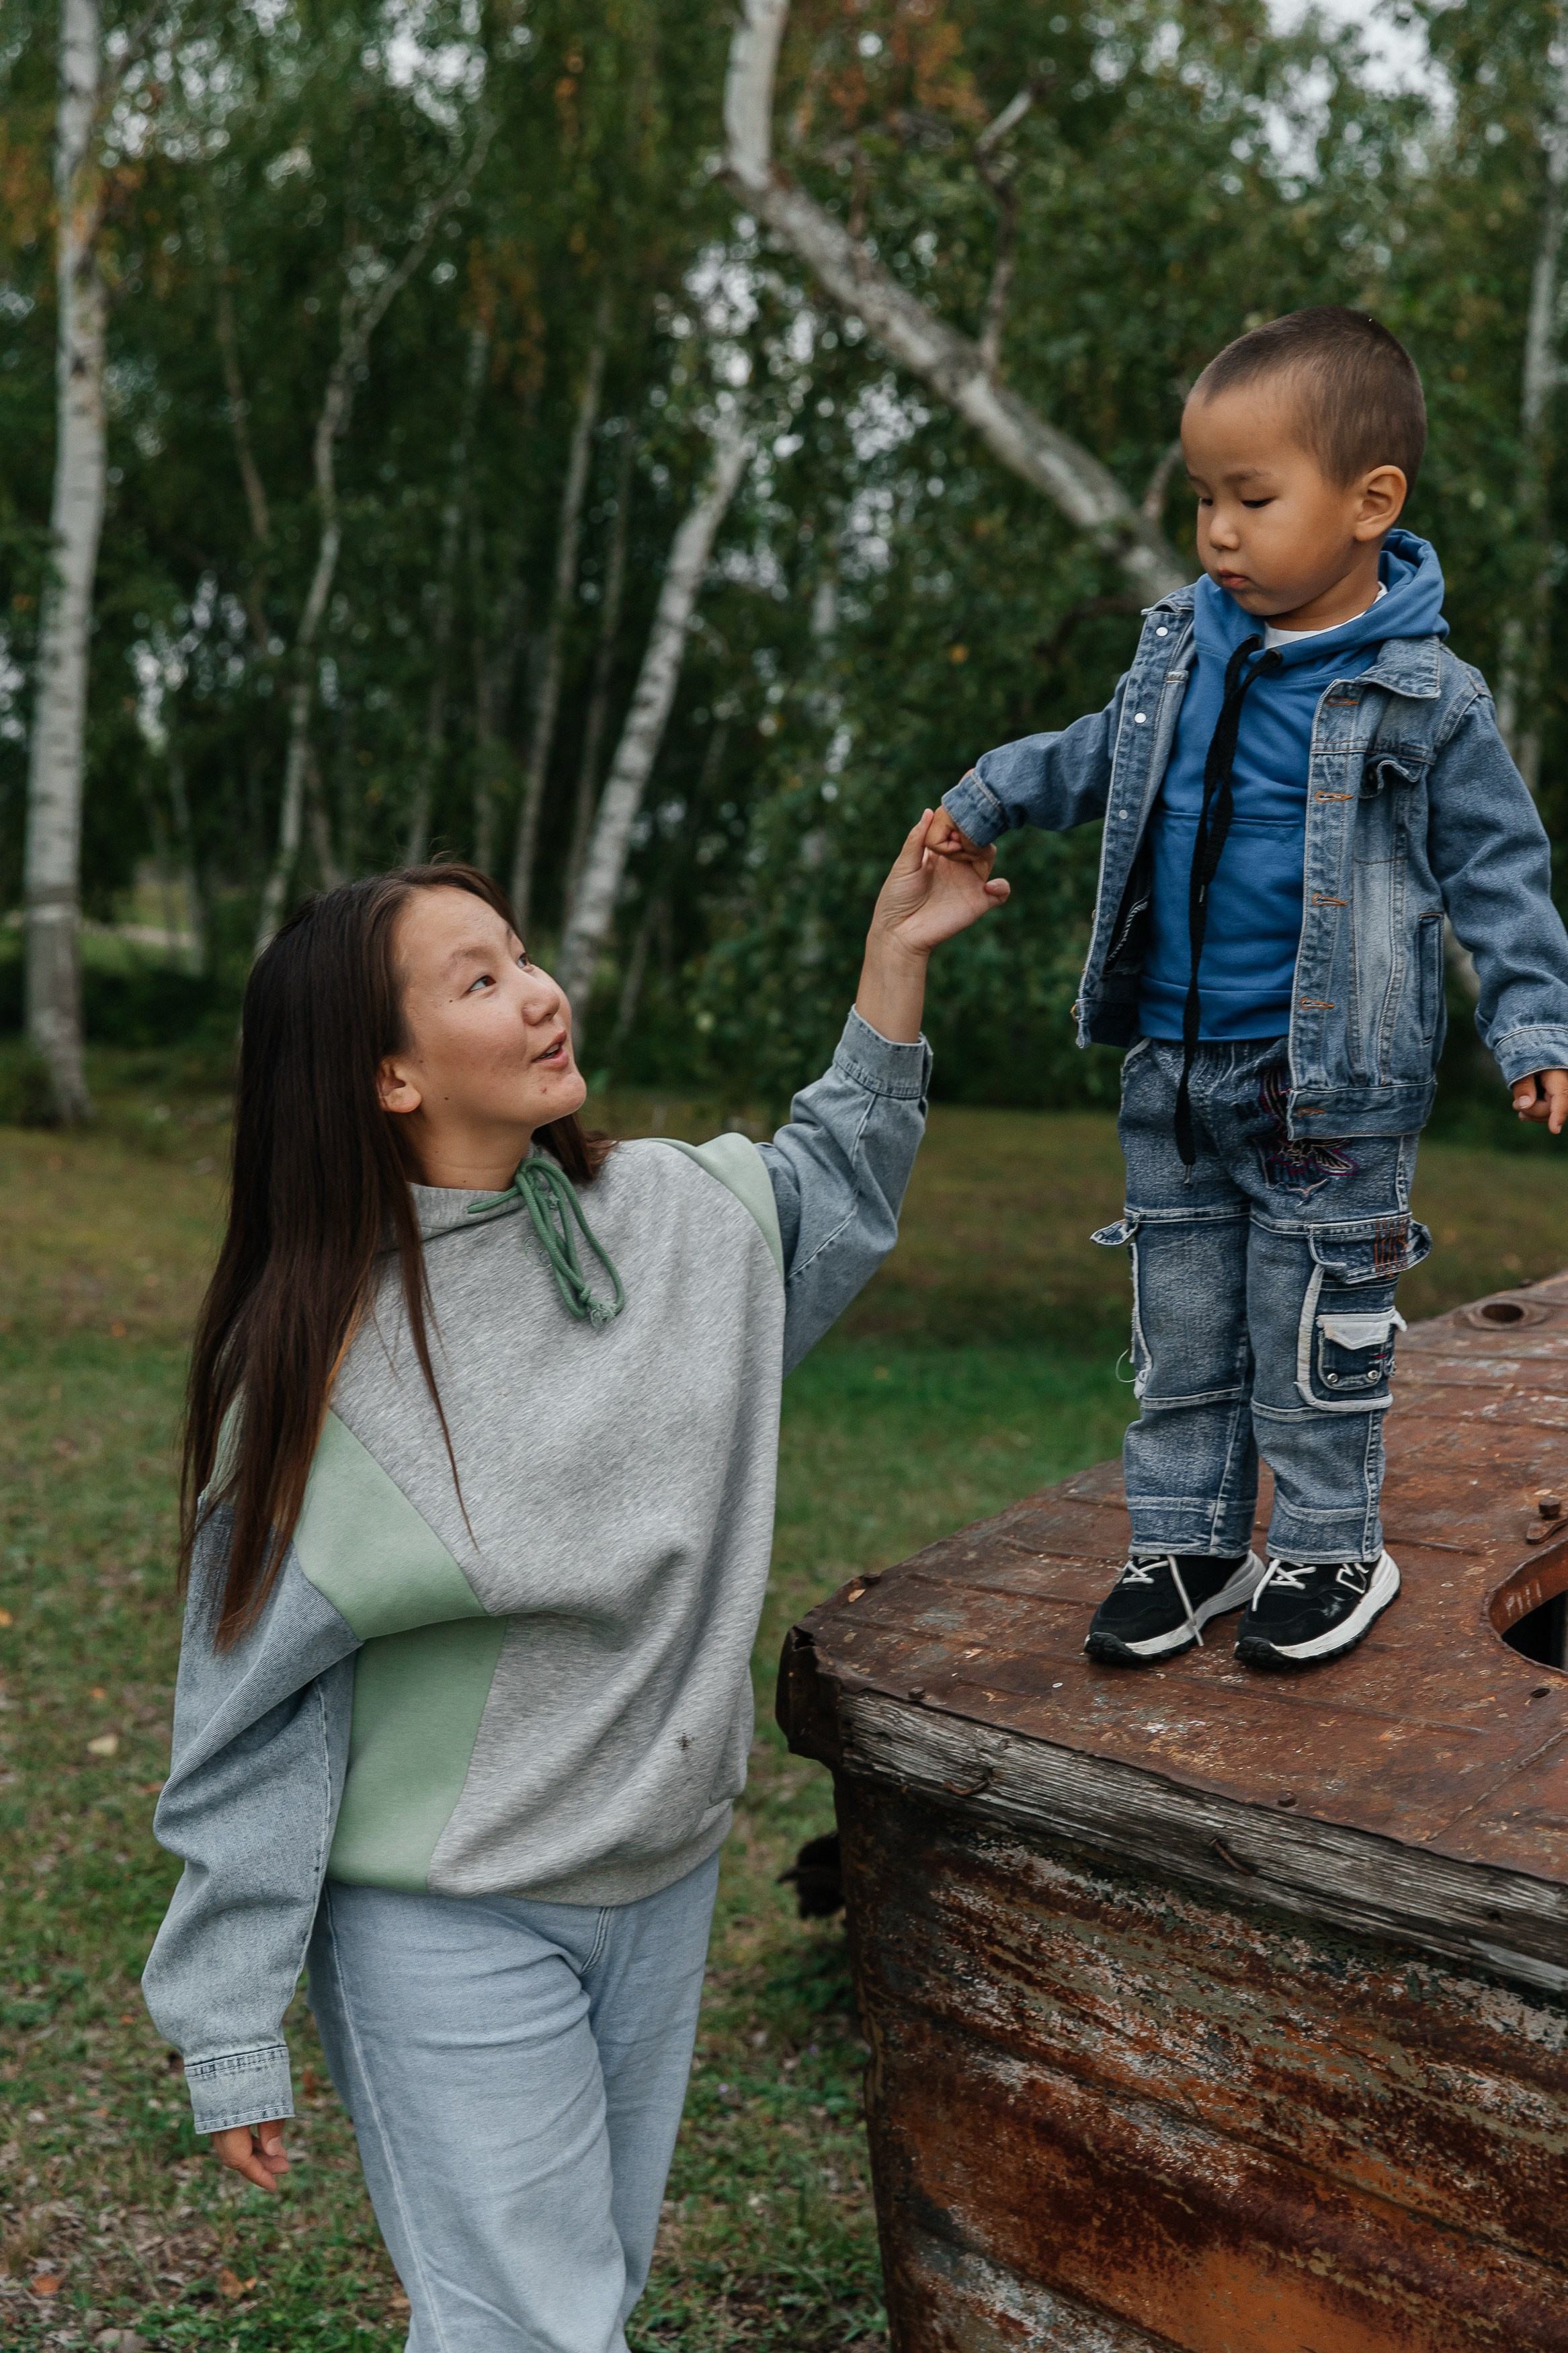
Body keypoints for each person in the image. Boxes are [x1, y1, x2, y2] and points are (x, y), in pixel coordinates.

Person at [142, 817, 1006, 2352]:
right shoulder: (311, 1363)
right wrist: (226, 2019)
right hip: (447, 1918)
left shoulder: (674, 1220)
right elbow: (249, 1721)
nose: (539, 993)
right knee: (529, 2328)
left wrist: (895, 962)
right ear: (388, 1074)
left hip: (659, 1875)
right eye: (478, 979)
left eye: (523, 954)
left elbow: (833, 1187)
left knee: (580, 2296)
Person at [927, 305, 1568, 1673]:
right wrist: (997, 788)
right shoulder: (1186, 645)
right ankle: (1191, 1542)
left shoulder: (1422, 696)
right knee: (1185, 1328)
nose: (1216, 531)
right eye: (1205, 498)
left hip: (1329, 1082)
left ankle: (1334, 1547)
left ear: (1367, 503)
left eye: (1251, 498)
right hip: (1171, 1062)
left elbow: (1502, 868)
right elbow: (1108, 752)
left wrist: (1534, 1021)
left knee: (1316, 1336)